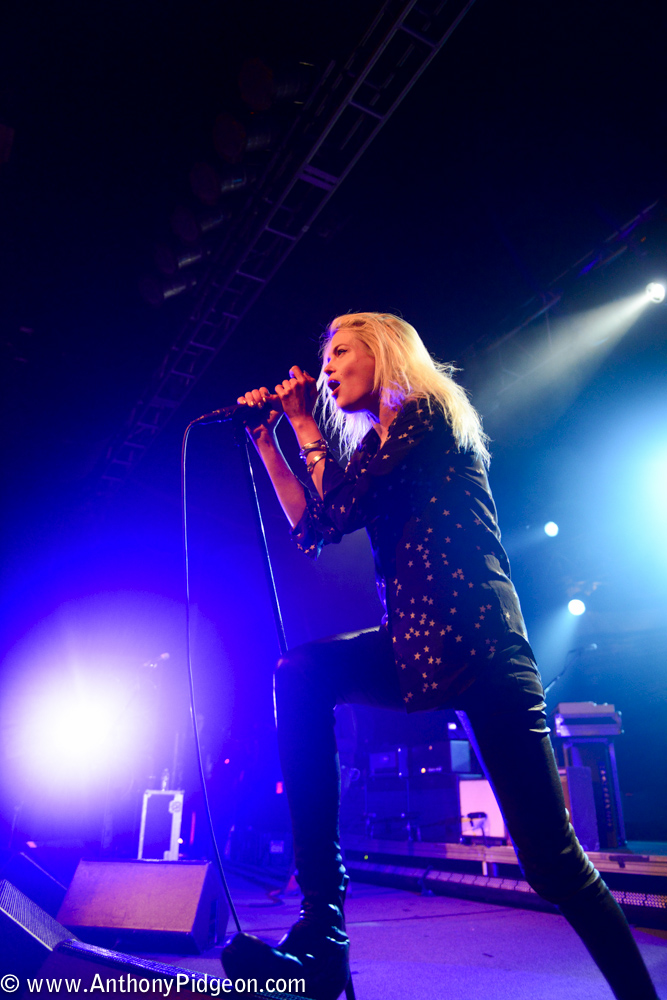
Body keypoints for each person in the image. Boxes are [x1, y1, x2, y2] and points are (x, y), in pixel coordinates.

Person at [222, 313, 658, 1000]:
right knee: (300, 675)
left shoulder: (425, 418)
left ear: (385, 352)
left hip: (482, 646)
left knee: (552, 865)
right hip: (416, 640)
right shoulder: (378, 450)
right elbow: (312, 530)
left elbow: (333, 509)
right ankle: (322, 934)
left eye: (340, 351)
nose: (326, 368)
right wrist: (262, 439)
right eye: (324, 356)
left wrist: (301, 424)